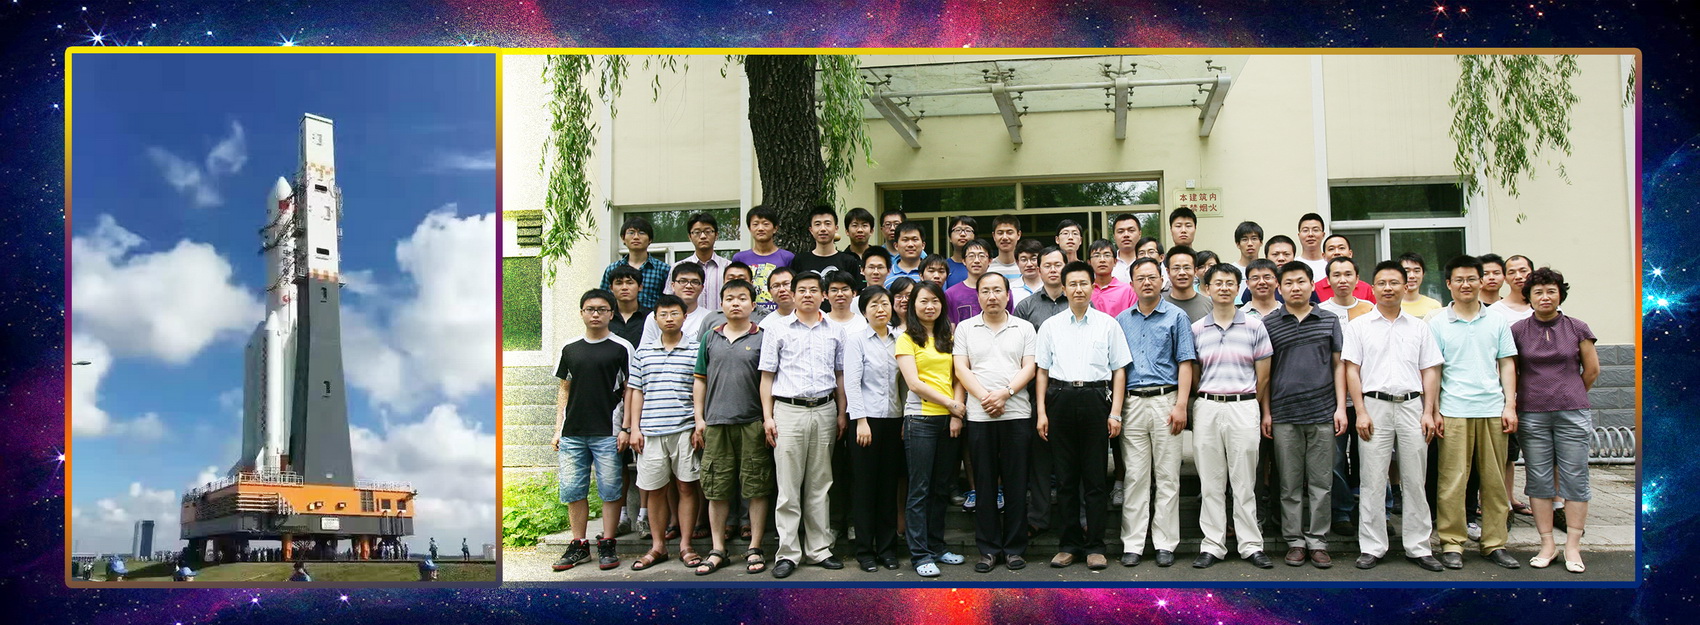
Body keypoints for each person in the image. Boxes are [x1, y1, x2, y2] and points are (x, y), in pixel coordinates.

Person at [1344, 260, 1445, 572]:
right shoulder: (1359, 326)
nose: (1388, 288)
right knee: (1372, 479)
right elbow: (1352, 370)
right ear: (1373, 288)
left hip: (1413, 406)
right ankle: (1372, 546)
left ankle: (1419, 546)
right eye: (1382, 283)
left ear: (1406, 286)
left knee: (1415, 479)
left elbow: (1430, 370)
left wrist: (1429, 411)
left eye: (1394, 282)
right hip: (1374, 406)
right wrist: (1360, 411)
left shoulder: (1419, 327)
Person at [1035, 261, 1131, 571]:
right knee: (1065, 479)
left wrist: (1115, 413)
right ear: (1063, 289)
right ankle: (1069, 545)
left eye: (1083, 283)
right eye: (1072, 284)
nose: (1078, 289)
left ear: (1092, 287)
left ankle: (1095, 546)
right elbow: (1042, 372)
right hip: (1060, 399)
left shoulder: (1108, 325)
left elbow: (1119, 371)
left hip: (1095, 400)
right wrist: (1042, 412)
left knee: (1094, 479)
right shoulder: (1051, 326)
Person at [1429, 255, 1522, 570]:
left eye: (1471, 279)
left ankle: (1494, 543)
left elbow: (1507, 363)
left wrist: (1510, 405)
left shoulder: (1497, 321)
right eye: (1459, 279)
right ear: (1448, 284)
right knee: (1452, 481)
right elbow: (1433, 370)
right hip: (1453, 410)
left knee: (1494, 482)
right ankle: (1452, 543)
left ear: (1481, 281)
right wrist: (1434, 410)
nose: (1465, 285)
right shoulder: (1437, 322)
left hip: (1492, 410)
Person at [758, 272, 848, 578]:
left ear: (823, 295)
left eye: (813, 290)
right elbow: (767, 376)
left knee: (821, 484)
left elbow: (840, 375)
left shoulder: (835, 330)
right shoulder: (777, 329)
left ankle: (819, 549)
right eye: (802, 290)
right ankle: (788, 553)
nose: (807, 294)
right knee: (788, 486)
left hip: (824, 409)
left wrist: (842, 412)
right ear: (793, 295)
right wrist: (768, 417)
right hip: (788, 411)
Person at [1511, 267, 1599, 573]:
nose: (1545, 297)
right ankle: (1547, 543)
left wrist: (1569, 392)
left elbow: (1592, 370)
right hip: (1531, 414)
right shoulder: (1518, 330)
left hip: (1572, 412)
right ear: (1529, 297)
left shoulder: (1577, 327)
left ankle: (1573, 545)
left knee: (1576, 476)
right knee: (1538, 478)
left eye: (1551, 291)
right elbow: (1512, 370)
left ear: (1560, 294)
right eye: (1538, 292)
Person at [1189, 263, 1275, 570]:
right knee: (1210, 482)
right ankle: (1213, 544)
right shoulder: (1196, 329)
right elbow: (1195, 374)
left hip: (1244, 405)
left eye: (1230, 283)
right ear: (1207, 288)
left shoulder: (1254, 326)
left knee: (1244, 481)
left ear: (1239, 288)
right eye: (1218, 283)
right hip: (1208, 406)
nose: (1224, 288)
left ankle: (1250, 544)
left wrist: (1247, 400)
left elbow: (1263, 375)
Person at [1262, 261, 1347, 570]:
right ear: (1279, 288)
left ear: (1313, 285)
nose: (1295, 287)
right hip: (1284, 414)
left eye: (1301, 281)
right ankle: (1295, 541)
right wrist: (1266, 412)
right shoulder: (1269, 323)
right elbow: (1265, 373)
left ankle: (1318, 541)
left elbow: (1339, 366)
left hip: (1323, 413)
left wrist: (1341, 407)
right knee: (1289, 483)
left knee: (1322, 482)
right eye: (1288, 282)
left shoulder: (1329, 320)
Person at [1113, 257, 1196, 569]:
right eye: (1140, 278)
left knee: (1167, 476)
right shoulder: (1122, 320)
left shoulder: (1177, 317)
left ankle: (1165, 543)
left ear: (1162, 281)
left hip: (1166, 401)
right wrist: (1117, 409)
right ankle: (1133, 543)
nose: (1147, 283)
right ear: (1132, 284)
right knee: (1135, 476)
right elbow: (1118, 368)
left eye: (1152, 277)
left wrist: (1181, 405)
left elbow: (1186, 362)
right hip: (1132, 402)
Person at [954, 272, 1039, 573]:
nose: (992, 296)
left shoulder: (1024, 327)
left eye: (997, 290)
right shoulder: (965, 328)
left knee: (1016, 484)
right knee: (985, 484)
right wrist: (984, 397)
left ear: (1007, 294)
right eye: (985, 291)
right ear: (978, 296)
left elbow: (1030, 367)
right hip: (980, 416)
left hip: (1016, 413)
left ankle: (1014, 549)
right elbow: (961, 368)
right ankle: (988, 549)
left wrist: (1005, 393)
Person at [691, 280, 775, 576]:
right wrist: (699, 419)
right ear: (721, 304)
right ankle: (718, 549)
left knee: (757, 486)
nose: (735, 303)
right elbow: (699, 380)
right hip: (715, 424)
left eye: (742, 298)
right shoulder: (710, 338)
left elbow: (768, 381)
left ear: (753, 304)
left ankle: (755, 546)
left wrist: (767, 418)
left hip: (752, 423)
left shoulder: (763, 337)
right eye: (729, 298)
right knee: (717, 488)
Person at [550, 289, 630, 572]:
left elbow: (630, 390)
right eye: (590, 309)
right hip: (573, 432)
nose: (595, 314)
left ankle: (607, 542)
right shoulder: (569, 348)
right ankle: (579, 544)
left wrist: (626, 428)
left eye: (602, 309)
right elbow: (564, 388)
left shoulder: (621, 347)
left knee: (610, 490)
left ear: (611, 313)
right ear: (582, 312)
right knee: (573, 490)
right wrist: (558, 428)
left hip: (608, 431)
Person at [626, 295, 704, 571]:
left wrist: (698, 424)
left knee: (686, 486)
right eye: (663, 314)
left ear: (685, 316)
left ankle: (686, 545)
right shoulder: (643, 352)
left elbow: (700, 389)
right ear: (655, 318)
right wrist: (633, 428)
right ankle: (657, 546)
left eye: (674, 313)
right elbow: (636, 391)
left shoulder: (697, 349)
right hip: (650, 431)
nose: (669, 318)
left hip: (685, 429)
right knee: (655, 490)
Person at [897, 280, 969, 577]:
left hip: (948, 420)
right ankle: (920, 554)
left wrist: (956, 412)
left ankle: (937, 547)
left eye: (935, 301)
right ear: (913, 305)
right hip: (921, 420)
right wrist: (950, 404)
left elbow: (959, 375)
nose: (930, 306)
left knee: (941, 487)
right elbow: (914, 383)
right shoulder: (906, 339)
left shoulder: (949, 335)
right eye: (923, 301)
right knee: (920, 488)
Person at [843, 286, 905, 572]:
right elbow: (852, 383)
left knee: (889, 486)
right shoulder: (856, 340)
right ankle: (865, 551)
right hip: (865, 423)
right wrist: (860, 420)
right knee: (865, 488)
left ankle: (888, 549)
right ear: (864, 312)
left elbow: (904, 383)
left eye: (885, 304)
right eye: (874, 305)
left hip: (894, 420)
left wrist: (904, 419)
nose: (881, 310)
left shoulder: (900, 339)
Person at [1013, 246, 1069, 539]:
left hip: (1072, 389)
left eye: (1058, 264)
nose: (1053, 269)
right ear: (1039, 268)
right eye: (1047, 265)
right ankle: (1038, 517)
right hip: (1038, 391)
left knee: (1072, 458)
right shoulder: (1026, 306)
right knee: (1039, 459)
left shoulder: (1079, 301)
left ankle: (1078, 518)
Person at [1317, 255, 1373, 536]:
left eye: (1348, 274)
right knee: (1335, 460)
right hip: (1333, 400)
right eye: (1336, 275)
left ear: (1357, 279)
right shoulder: (1321, 312)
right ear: (1328, 281)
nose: (1342, 280)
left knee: (1371, 457)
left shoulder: (1370, 310)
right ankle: (1341, 512)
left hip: (1369, 398)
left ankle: (1378, 512)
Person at [733, 205, 796, 313]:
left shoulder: (787, 257)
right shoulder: (739, 258)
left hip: (780, 314)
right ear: (749, 228)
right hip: (748, 314)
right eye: (755, 224)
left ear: (775, 228)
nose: (760, 228)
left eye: (765, 224)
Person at [600, 215, 671, 309]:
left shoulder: (663, 269)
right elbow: (603, 299)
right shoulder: (612, 269)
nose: (636, 237)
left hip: (652, 317)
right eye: (631, 233)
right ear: (623, 238)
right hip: (620, 318)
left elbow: (670, 301)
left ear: (650, 239)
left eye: (641, 233)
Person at [665, 212, 730, 312]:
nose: (703, 236)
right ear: (690, 237)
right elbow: (669, 300)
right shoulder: (678, 267)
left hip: (721, 321)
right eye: (697, 232)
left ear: (716, 235)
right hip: (687, 321)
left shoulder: (728, 267)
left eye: (708, 231)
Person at [791, 205, 865, 287]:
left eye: (827, 224)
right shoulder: (800, 260)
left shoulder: (849, 261)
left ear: (836, 228)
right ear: (811, 230)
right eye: (817, 224)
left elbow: (856, 291)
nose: (823, 229)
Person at [639, 263, 711, 347]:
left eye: (695, 282)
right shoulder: (656, 316)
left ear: (702, 287)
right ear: (673, 286)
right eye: (683, 281)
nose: (688, 286)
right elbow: (645, 349)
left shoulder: (709, 318)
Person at [947, 239, 1014, 325]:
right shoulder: (951, 293)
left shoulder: (1002, 291)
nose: (976, 260)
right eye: (971, 256)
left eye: (982, 256)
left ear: (990, 260)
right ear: (964, 261)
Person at [1314, 235, 1375, 301]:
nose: (1337, 252)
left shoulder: (1366, 289)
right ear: (1324, 256)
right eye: (1331, 249)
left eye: (1341, 248)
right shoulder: (1315, 289)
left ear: (1350, 253)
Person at [606, 265, 652, 348]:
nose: (624, 288)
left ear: (640, 287)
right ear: (611, 288)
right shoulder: (605, 316)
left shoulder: (651, 317)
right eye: (619, 283)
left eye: (630, 283)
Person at [1087, 239, 1135, 317]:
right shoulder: (1085, 290)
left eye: (1107, 255)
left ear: (1115, 262)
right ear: (1089, 262)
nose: (1102, 260)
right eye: (1096, 256)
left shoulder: (1128, 291)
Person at [1162, 246, 1210, 322]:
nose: (1182, 273)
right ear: (1168, 272)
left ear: (1195, 271)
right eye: (1176, 268)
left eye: (1187, 268)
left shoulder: (1209, 305)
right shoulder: (1159, 305)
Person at [1399, 252, 1445, 318]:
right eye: (1406, 271)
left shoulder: (1434, 306)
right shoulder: (1390, 306)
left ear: (1423, 274)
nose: (1412, 276)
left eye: (1416, 271)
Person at [1230, 221, 1264, 300]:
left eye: (1254, 238)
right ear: (1238, 244)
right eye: (1244, 239)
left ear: (1261, 242)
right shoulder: (1231, 271)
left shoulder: (1267, 269)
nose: (1250, 244)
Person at [887, 222, 928, 286]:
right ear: (896, 246)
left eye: (915, 239)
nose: (910, 244)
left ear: (923, 245)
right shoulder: (887, 274)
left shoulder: (931, 273)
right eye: (905, 240)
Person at [988, 214, 1025, 283]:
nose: (1004, 237)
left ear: (1018, 235)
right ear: (994, 236)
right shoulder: (987, 267)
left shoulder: (1027, 266)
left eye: (1009, 233)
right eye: (1000, 233)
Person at [944, 216, 977, 288]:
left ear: (975, 237)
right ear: (950, 238)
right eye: (958, 230)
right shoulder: (943, 266)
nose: (963, 234)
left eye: (968, 230)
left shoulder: (982, 265)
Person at [1111, 213, 1144, 283]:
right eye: (1120, 231)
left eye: (1131, 230)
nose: (1126, 235)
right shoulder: (1107, 263)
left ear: (1140, 234)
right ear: (1114, 237)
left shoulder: (1149, 260)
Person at [1011, 238, 1046, 304]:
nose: (1029, 264)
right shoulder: (1011, 289)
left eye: (1034, 259)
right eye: (1024, 260)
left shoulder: (1050, 285)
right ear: (1017, 262)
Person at [1295, 213, 1328, 280]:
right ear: (1299, 235)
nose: (1310, 234)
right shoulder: (1293, 264)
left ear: (1323, 235)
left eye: (1315, 230)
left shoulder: (1330, 264)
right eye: (1305, 230)